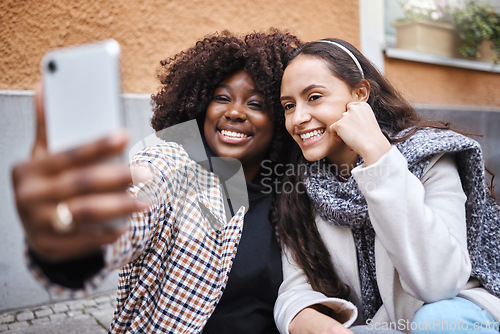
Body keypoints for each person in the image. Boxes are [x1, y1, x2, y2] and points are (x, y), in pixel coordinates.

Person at [12, 29, 302, 333]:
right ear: (202, 105)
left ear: (280, 120)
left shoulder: (288, 192)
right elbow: (135, 213)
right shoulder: (175, 165)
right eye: (222, 98)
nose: (234, 111)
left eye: (255, 104)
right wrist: (71, 233)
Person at [273, 38, 500, 334]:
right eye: (289, 106)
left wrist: (377, 156)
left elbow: (438, 283)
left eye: (314, 97)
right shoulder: (302, 187)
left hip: (454, 316)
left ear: (360, 94)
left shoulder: (429, 157)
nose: (298, 118)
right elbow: (296, 289)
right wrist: (318, 324)